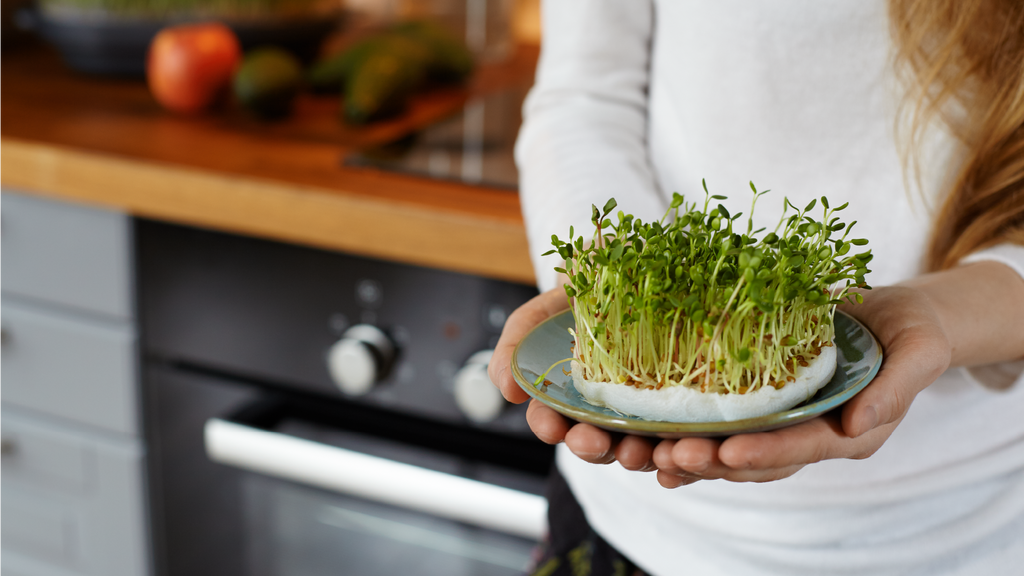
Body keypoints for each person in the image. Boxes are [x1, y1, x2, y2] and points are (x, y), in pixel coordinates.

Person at [488, 1, 1024, 575]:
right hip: (632, 526)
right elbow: (585, 98)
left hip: (966, 528)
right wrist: (609, 282)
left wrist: (937, 316)